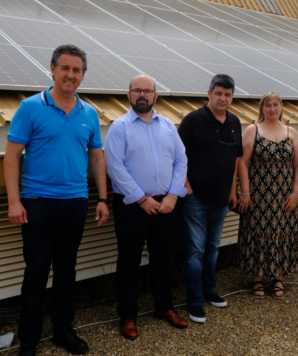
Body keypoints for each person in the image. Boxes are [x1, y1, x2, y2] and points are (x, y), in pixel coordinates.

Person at [4, 44, 109, 356]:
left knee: (67, 271)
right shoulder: (30, 108)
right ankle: (29, 340)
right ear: (52, 70)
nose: (71, 75)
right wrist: (14, 201)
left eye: (77, 70)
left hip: (74, 203)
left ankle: (64, 332)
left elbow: (97, 158)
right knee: (36, 272)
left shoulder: (88, 113)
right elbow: (11, 158)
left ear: (83, 75)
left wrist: (103, 198)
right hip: (37, 203)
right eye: (65, 68)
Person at [104, 74, 189, 340]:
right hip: (132, 206)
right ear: (129, 94)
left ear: (155, 95)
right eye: (137, 90)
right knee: (129, 262)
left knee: (164, 258)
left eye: (147, 90)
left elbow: (181, 160)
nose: (142, 94)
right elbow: (114, 167)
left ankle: (164, 307)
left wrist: (173, 195)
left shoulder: (168, 126)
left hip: (165, 204)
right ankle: (128, 316)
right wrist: (141, 198)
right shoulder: (119, 127)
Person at [178, 74, 242, 324]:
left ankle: (210, 291)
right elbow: (178, 156)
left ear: (231, 97)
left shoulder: (235, 122)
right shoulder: (193, 121)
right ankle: (194, 302)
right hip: (196, 199)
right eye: (218, 93)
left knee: (213, 248)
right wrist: (185, 184)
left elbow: (236, 160)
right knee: (195, 251)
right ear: (209, 94)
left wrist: (233, 190)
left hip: (221, 198)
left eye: (227, 94)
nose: (223, 98)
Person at [237, 92, 298, 298]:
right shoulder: (252, 130)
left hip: (284, 196)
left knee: (281, 232)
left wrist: (295, 193)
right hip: (258, 195)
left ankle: (278, 277)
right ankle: (258, 277)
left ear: (281, 107)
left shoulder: (292, 132)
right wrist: (245, 192)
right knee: (258, 232)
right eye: (268, 106)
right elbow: (243, 162)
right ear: (262, 109)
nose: (272, 109)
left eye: (276, 105)